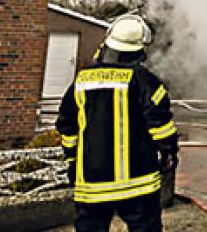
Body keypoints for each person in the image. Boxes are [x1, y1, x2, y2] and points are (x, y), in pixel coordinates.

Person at [56, 14, 179, 232]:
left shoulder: (82, 80)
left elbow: (67, 126)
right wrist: (169, 153)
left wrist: (74, 160)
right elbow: (161, 126)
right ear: (139, 49)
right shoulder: (144, 81)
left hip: (91, 183)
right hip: (138, 183)